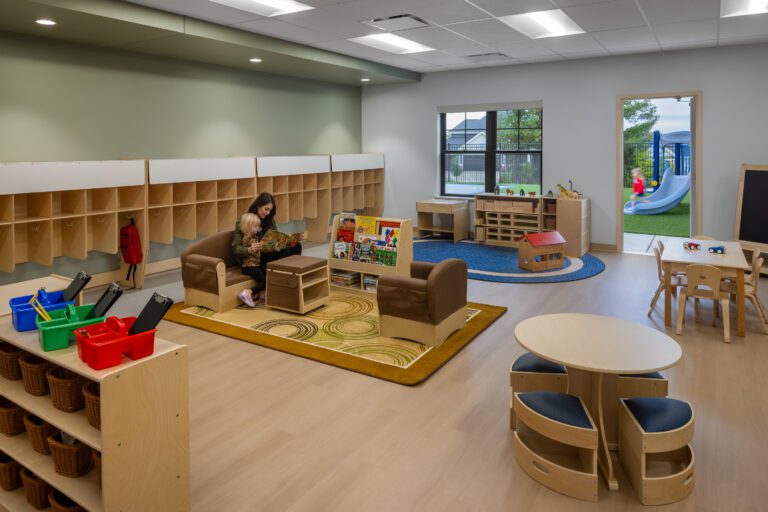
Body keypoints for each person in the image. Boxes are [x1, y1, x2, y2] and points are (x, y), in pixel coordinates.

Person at [233, 212, 265, 307]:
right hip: (248, 266)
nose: (258, 229)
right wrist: (251, 248)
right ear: (247, 227)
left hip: (255, 264)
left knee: (267, 272)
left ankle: (262, 293)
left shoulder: (254, 236)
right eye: (255, 226)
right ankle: (248, 292)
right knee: (265, 280)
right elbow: (244, 247)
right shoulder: (246, 238)